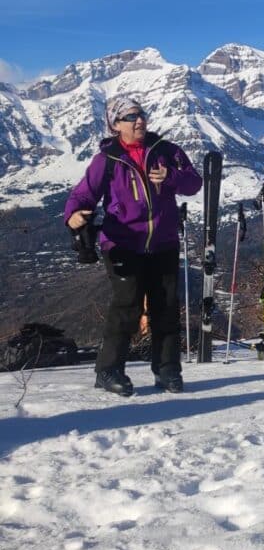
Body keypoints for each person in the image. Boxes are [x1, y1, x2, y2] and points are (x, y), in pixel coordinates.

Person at [64, 96, 202, 396]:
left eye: (141, 115)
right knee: (126, 307)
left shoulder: (166, 151)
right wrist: (72, 215)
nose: (139, 121)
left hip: (163, 243)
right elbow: (83, 194)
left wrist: (171, 178)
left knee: (166, 308)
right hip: (123, 244)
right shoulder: (107, 160)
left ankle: (167, 371)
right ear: (115, 125)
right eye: (130, 117)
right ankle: (109, 370)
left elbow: (193, 183)